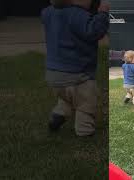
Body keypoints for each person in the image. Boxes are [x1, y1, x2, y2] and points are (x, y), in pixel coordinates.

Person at [41, 0, 110, 136]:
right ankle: (85, 131)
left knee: (68, 98)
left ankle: (58, 114)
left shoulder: (48, 12)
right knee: (86, 102)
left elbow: (45, 16)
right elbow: (94, 32)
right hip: (78, 75)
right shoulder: (77, 15)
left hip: (53, 75)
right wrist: (102, 13)